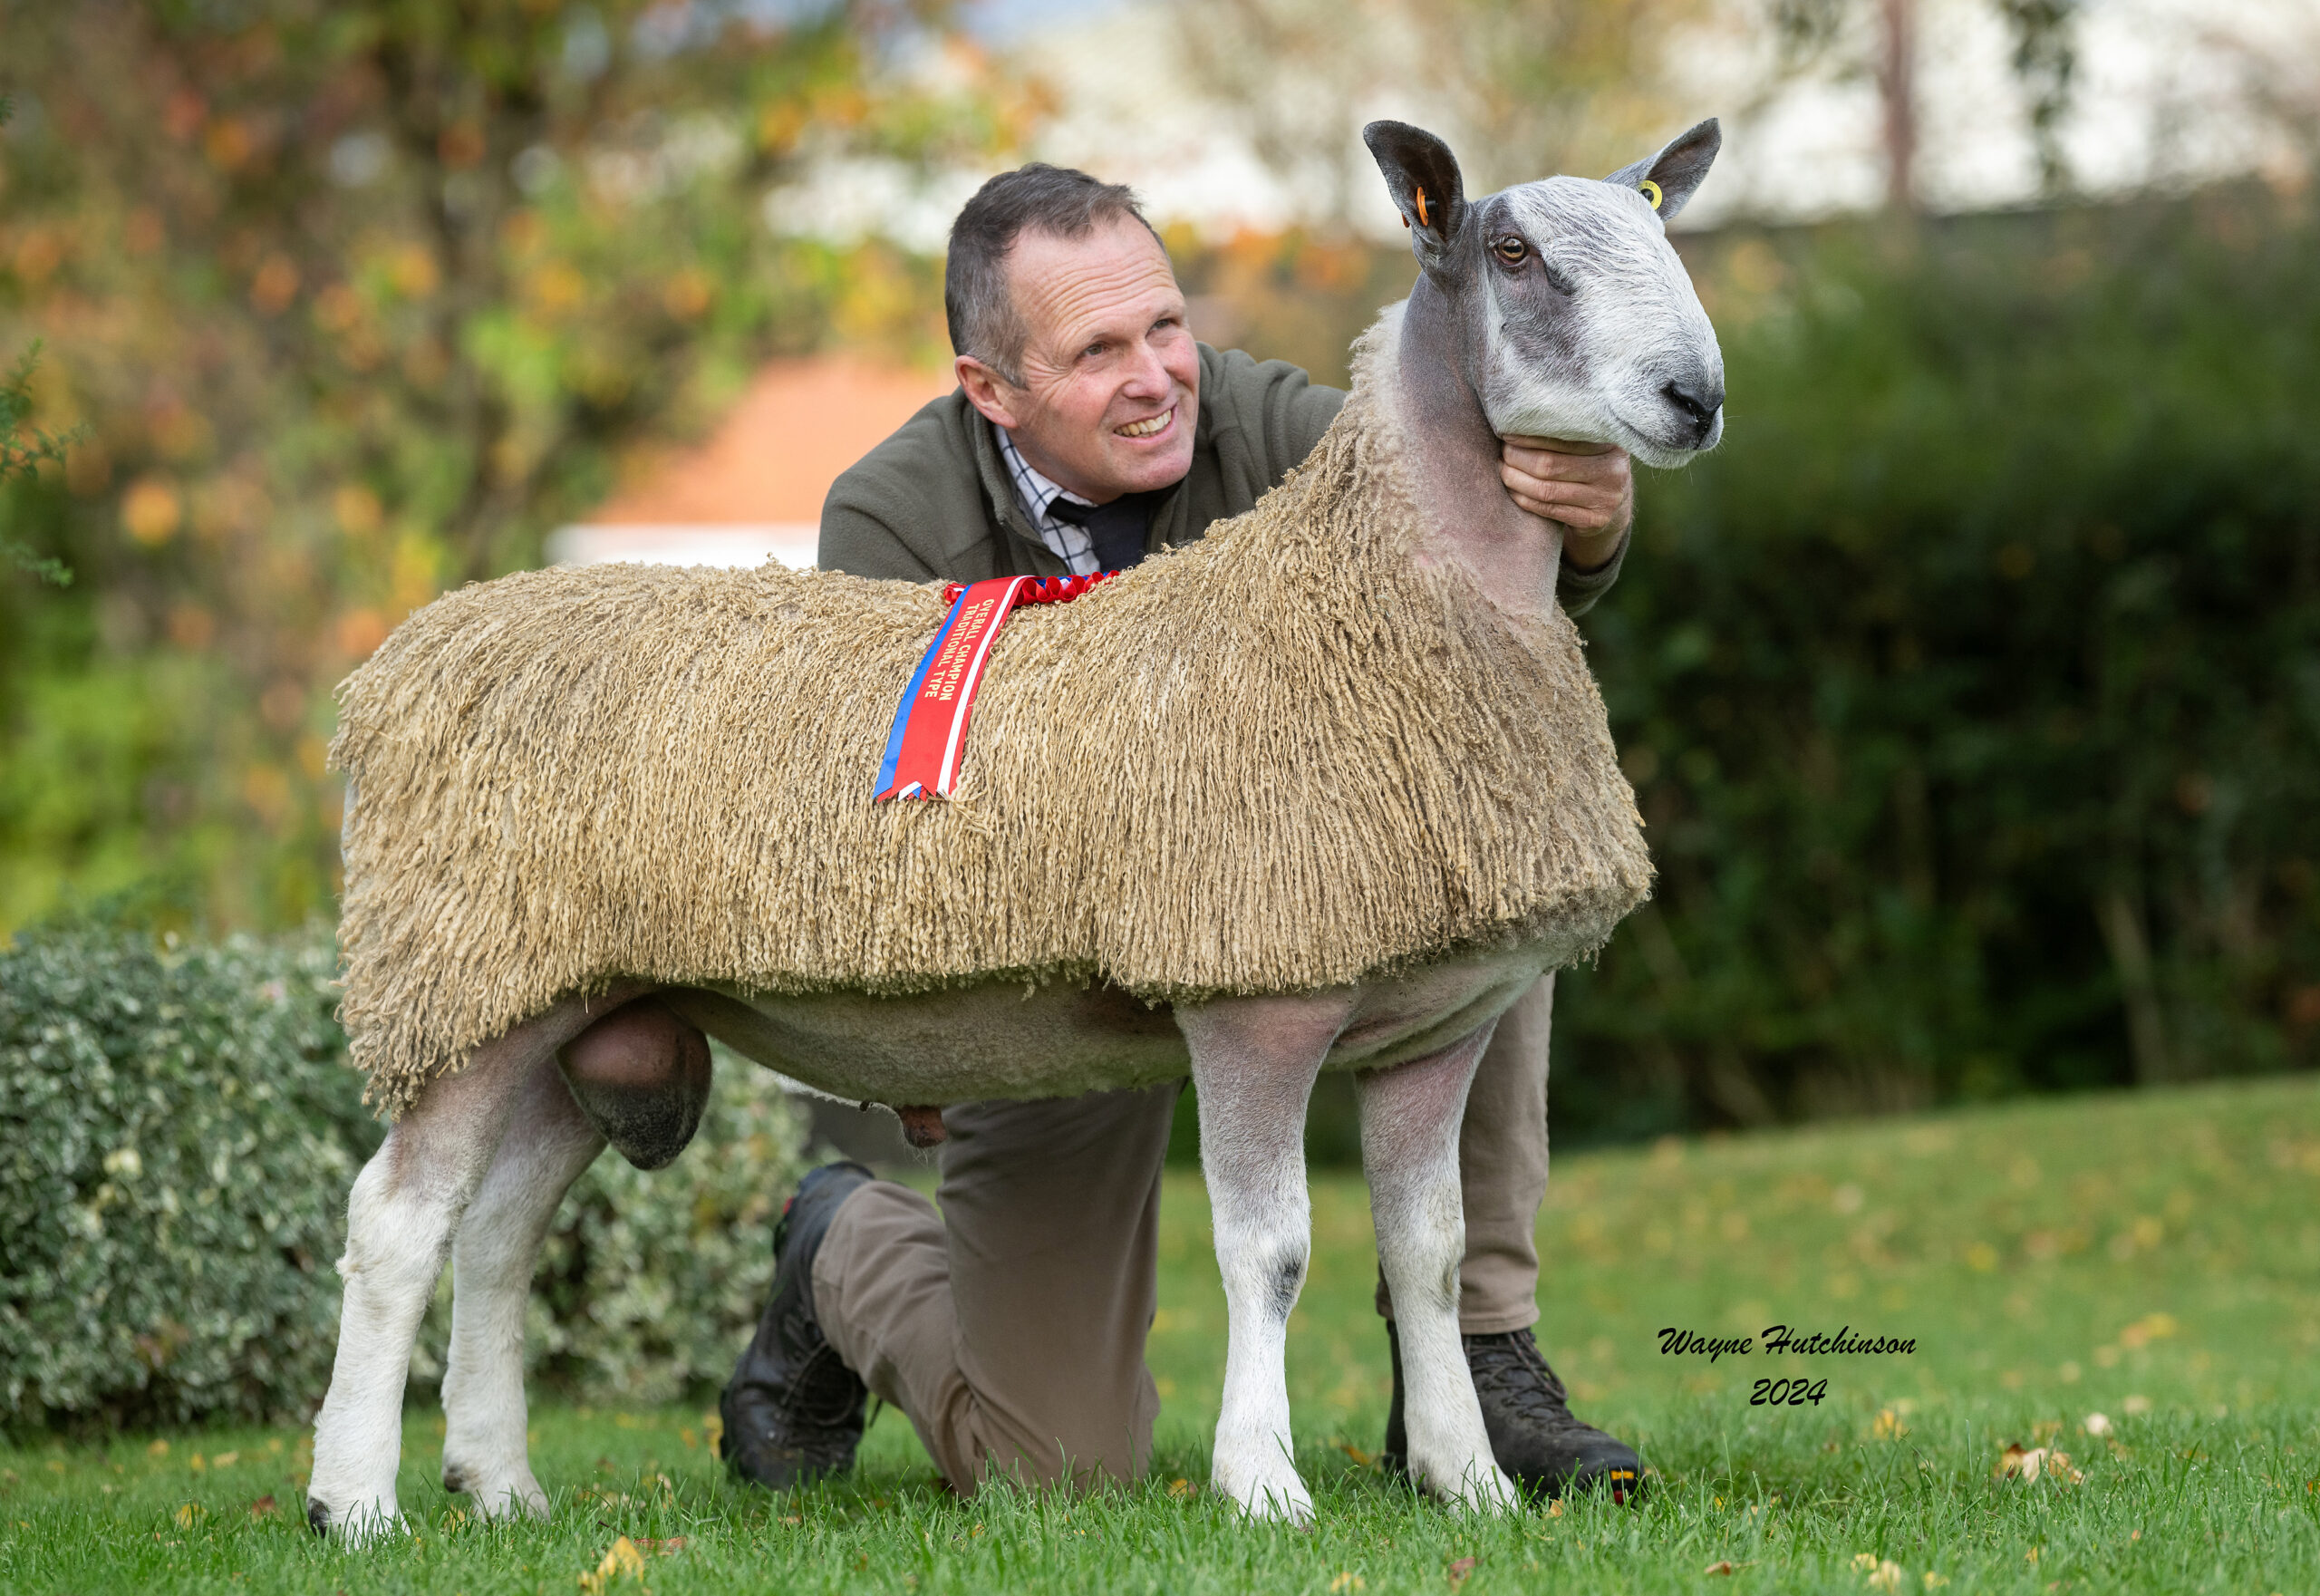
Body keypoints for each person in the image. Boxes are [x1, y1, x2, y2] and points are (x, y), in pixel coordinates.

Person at [720, 163, 1641, 1504]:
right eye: (1097, 351)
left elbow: (1479, 535)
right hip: (1055, 978)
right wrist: (901, 1015)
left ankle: (1481, 1356)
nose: (1159, 375)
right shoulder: (890, 519)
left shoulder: (1271, 421)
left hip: (1298, 926)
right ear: (993, 388)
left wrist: (1595, 520)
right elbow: (882, 827)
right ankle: (840, 1248)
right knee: (1061, 1468)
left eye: (1165, 324)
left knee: (1488, 881)